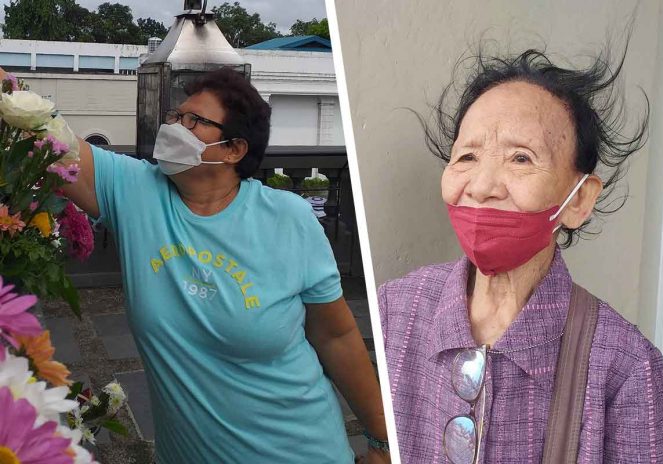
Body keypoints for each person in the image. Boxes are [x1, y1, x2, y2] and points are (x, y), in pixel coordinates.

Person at [1, 66, 389, 463]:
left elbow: (336, 336)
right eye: (175, 117)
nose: (174, 128)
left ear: (234, 149)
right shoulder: (136, 191)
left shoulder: (287, 217)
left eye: (194, 121)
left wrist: (383, 441)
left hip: (300, 450)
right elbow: (39, 129)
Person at [378, 46, 663, 463]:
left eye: (521, 158)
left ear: (578, 200)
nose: (483, 185)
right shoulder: (395, 310)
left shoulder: (625, 366)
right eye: (467, 156)